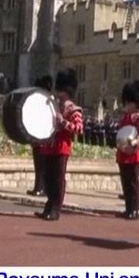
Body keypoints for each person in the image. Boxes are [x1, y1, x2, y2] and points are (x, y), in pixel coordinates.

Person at [39, 69, 83, 222]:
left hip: (62, 147)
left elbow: (79, 128)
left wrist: (63, 122)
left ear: (67, 91)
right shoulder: (55, 105)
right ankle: (49, 205)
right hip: (50, 146)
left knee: (58, 179)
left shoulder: (73, 110)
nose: (59, 94)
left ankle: (56, 208)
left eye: (61, 91)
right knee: (48, 178)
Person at [115, 80, 139, 220]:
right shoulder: (125, 118)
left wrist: (136, 143)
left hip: (133, 155)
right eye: (127, 103)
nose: (127, 106)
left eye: (129, 103)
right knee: (125, 183)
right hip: (123, 154)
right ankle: (128, 208)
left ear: (136, 103)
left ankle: (134, 209)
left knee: (133, 184)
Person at [26, 75, 54, 198]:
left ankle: (41, 188)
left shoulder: (47, 101)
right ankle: (39, 187)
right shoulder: (46, 100)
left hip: (43, 138)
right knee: (40, 165)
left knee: (41, 165)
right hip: (39, 138)